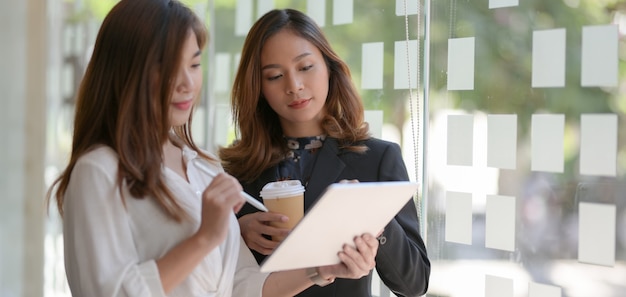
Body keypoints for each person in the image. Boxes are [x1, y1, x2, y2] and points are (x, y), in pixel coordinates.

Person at [45, 1, 379, 296]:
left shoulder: (202, 166)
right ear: (124, 73)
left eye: (193, 64)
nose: (186, 82)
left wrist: (323, 268)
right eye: (165, 67)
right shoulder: (99, 171)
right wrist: (205, 237)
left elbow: (243, 286)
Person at [219, 8, 431, 297]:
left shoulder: (377, 158)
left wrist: (374, 218)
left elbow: (414, 284)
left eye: (305, 67)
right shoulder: (237, 171)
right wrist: (236, 234)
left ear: (329, 67)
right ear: (258, 88)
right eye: (275, 76)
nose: (294, 86)